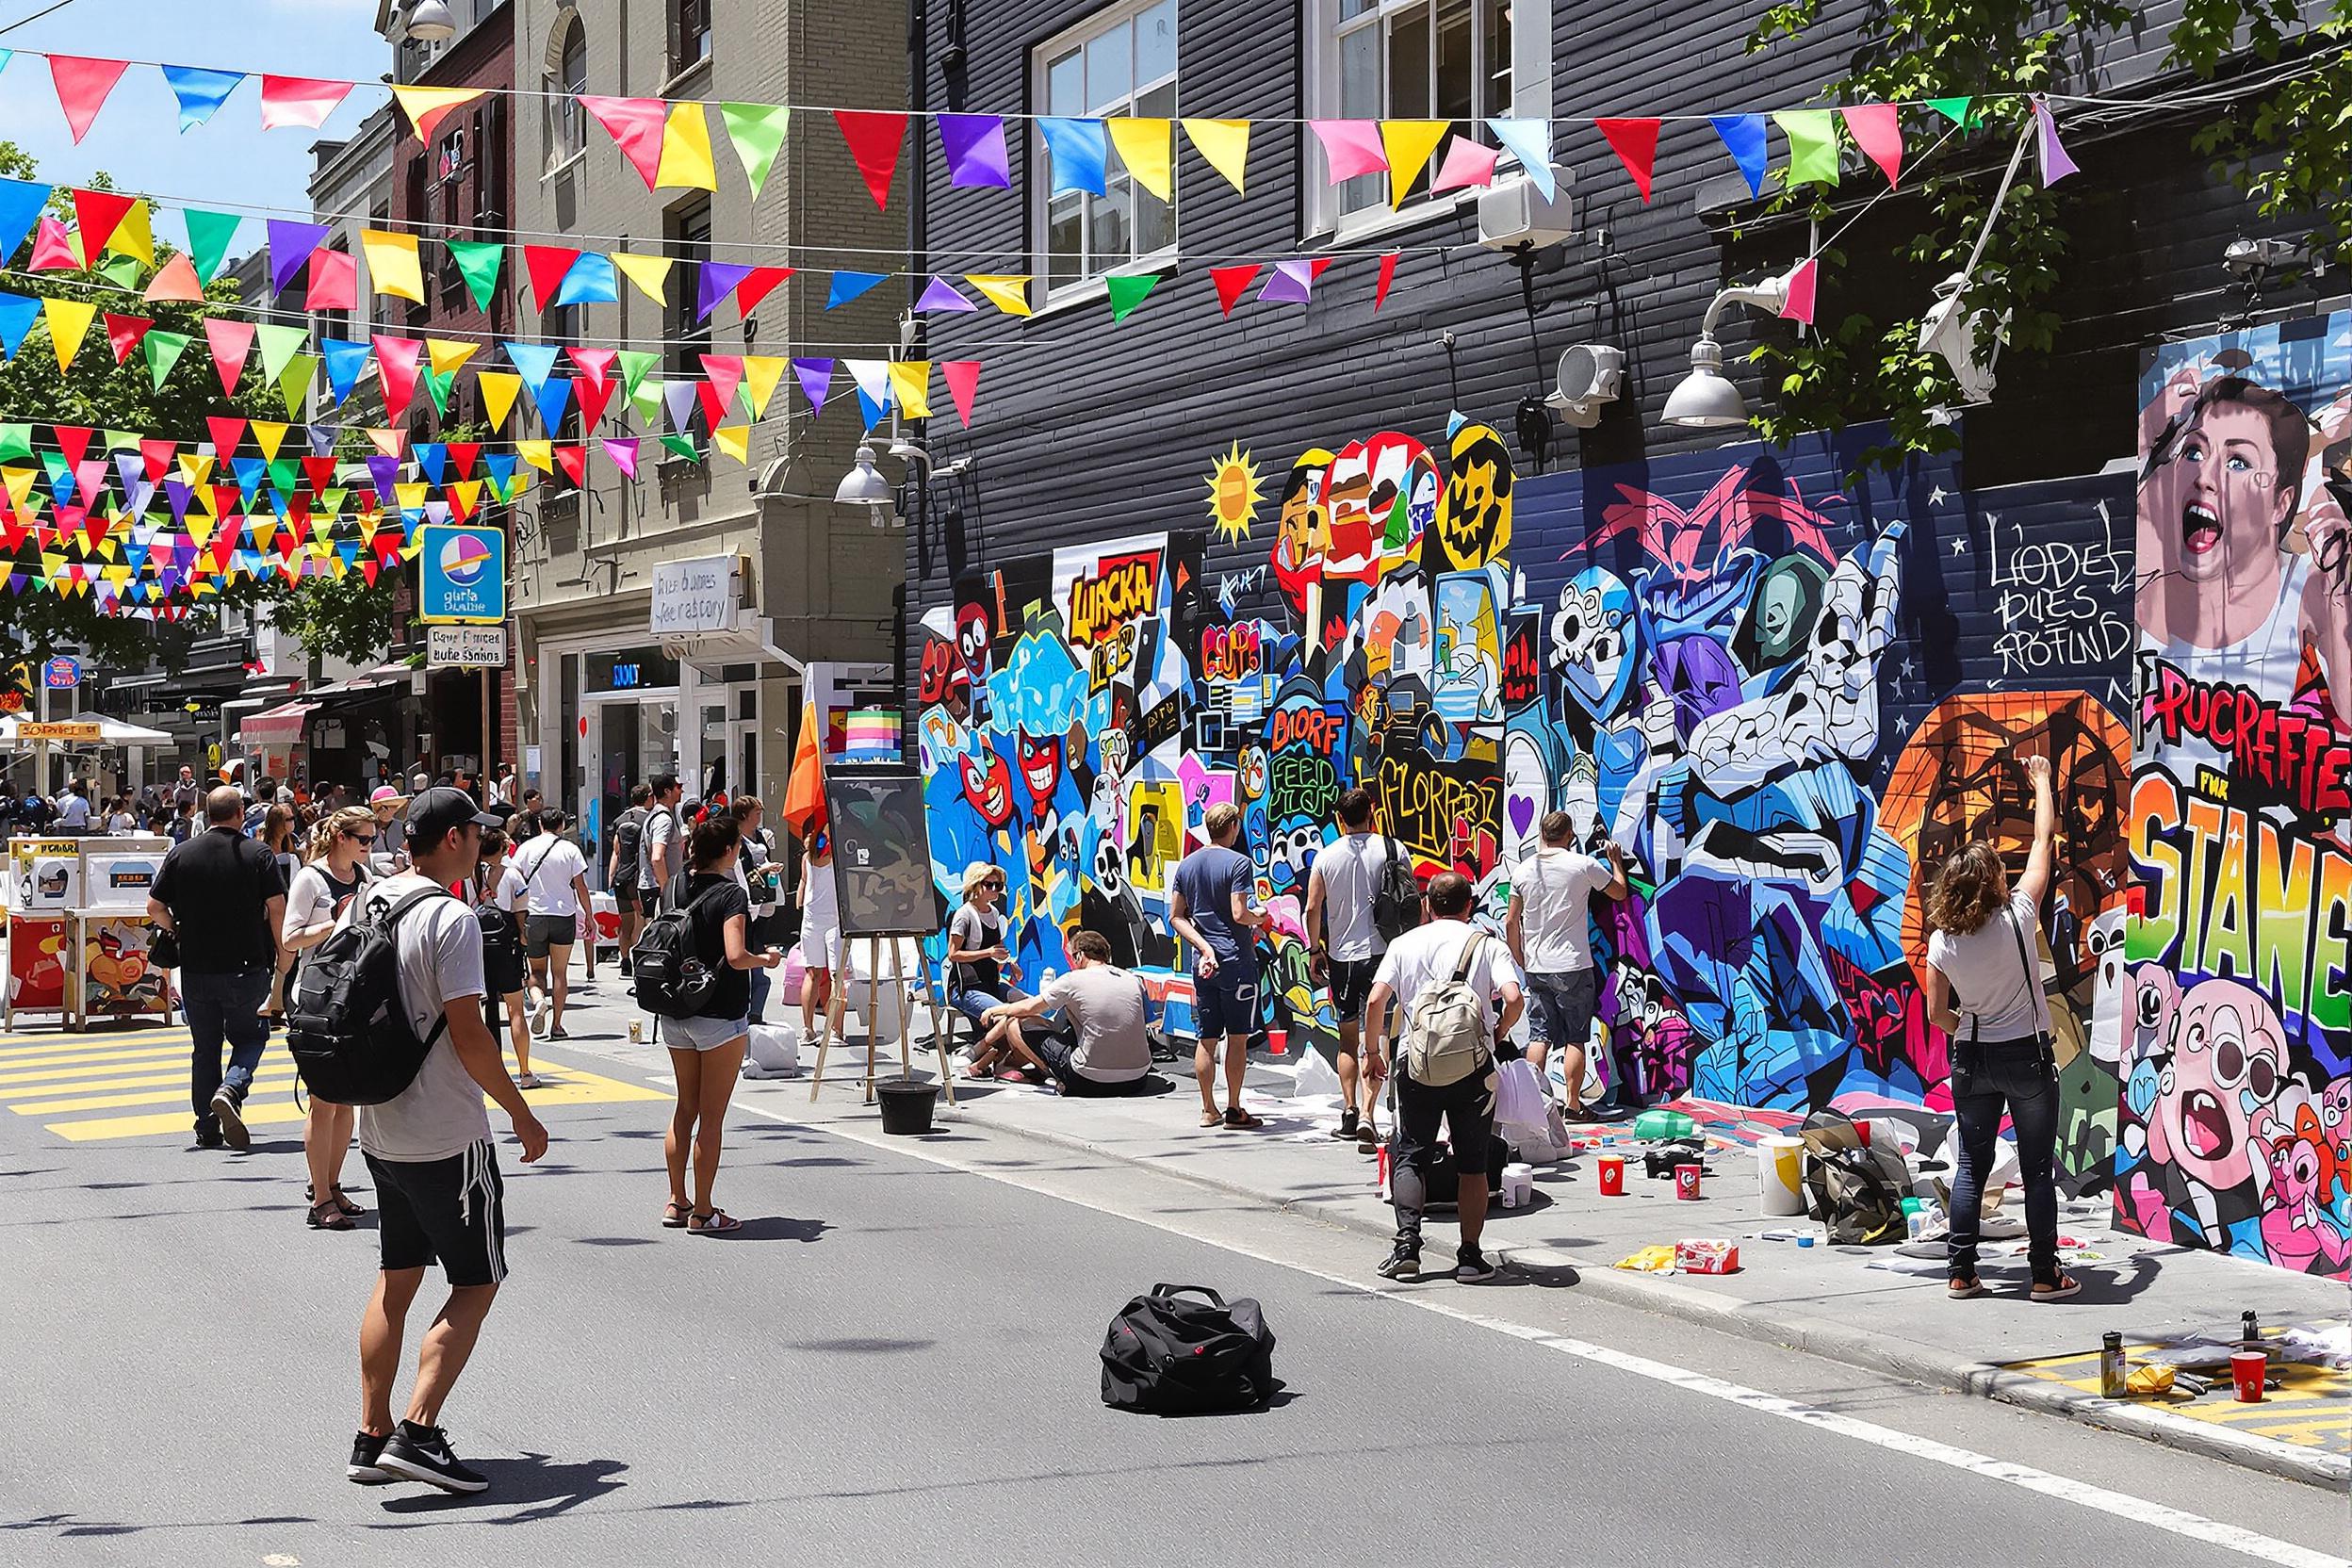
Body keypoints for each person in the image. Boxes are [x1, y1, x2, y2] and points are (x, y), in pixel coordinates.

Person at [348, 787, 547, 1494]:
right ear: (456, 838)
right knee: (477, 1279)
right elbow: (469, 1033)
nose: (483, 845)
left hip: (380, 1124)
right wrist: (521, 1113)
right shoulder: (451, 918)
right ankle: (420, 1433)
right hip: (446, 1132)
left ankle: (371, 1437)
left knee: (396, 1279)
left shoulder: (368, 900)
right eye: (477, 834)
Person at [1921, 754, 2078, 1303]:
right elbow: (2042, 846)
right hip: (2028, 1060)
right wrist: (2041, 782)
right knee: (2036, 1170)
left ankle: (1961, 1272)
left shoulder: (1942, 940)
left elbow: (1937, 1015)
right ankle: (2043, 1275)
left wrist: (1970, 1019)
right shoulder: (2017, 915)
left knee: (1972, 1165)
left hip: (1972, 1059)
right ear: (1991, 881)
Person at [1364, 871, 1525, 1283]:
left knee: (1411, 1155)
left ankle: (1407, 1247)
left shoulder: (1404, 944)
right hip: (1473, 1069)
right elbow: (1514, 998)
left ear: (1426, 906)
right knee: (1473, 1164)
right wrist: (1499, 1031)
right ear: (1470, 905)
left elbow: (1376, 1000)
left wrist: (1372, 1053)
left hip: (1416, 1067)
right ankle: (1470, 1257)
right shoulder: (1487, 945)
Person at [659, 815, 779, 1235]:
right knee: (712, 1118)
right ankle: (704, 1211)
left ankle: (677, 1200)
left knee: (684, 1109)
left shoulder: (674, 885)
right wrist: (765, 960)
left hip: (675, 1006)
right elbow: (734, 955)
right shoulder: (730, 894)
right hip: (719, 1012)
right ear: (730, 851)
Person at [148, 786, 286, 1152]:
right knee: (251, 1037)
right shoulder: (258, 854)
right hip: (247, 966)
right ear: (240, 812)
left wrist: (176, 929)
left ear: (207, 814)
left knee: (204, 1047)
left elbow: (154, 907)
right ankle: (232, 1088)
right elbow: (277, 908)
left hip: (195, 969)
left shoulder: (181, 853)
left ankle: (206, 1127)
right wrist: (284, 955)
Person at [283, 807, 379, 1230]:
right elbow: (288, 937)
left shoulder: (365, 878)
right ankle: (319, 1196)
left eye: (373, 840)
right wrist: (331, 926)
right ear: (341, 838)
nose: (370, 847)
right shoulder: (311, 878)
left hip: (351, 994)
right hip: (316, 994)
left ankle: (333, 1184)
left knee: (346, 1101)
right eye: (364, 840)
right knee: (323, 1101)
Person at [1504, 812, 1629, 1119]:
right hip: (1572, 964)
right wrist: (1615, 862)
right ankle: (1573, 1105)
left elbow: (1510, 921)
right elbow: (1619, 892)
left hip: (1537, 966)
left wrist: (1520, 957)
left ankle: (1530, 1105)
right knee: (1576, 1036)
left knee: (1539, 1035)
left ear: (1541, 834)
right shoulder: (1582, 865)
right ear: (1571, 835)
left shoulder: (1522, 871)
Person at [1303, 788, 1409, 1148]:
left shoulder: (1326, 856)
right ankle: (1369, 1110)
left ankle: (1349, 1111)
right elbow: (1408, 899)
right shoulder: (1394, 849)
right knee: (1377, 1036)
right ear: (1372, 812)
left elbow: (1313, 906)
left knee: (1347, 1037)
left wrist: (1314, 948)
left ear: (1339, 818)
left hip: (1342, 957)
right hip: (1385, 953)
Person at [1170, 802, 1270, 1130]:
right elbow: (1240, 913)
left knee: (1206, 1037)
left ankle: (1207, 1109)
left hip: (1204, 964)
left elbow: (1176, 917)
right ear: (1233, 828)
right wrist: (1262, 917)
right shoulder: (1239, 863)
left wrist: (1203, 946)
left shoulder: (1187, 865)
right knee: (1237, 1038)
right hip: (1236, 961)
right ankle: (1234, 1107)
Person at [979, 929, 1154, 1096]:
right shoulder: (1132, 979)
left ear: (1080, 956)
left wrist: (994, 1010)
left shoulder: (1073, 979)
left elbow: (1028, 1008)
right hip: (1137, 1080)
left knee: (1015, 1024)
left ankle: (1052, 1074)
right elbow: (1145, 1019)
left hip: (1088, 1080)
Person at [947, 863, 1032, 1079]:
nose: (996, 889)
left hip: (991, 983)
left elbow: (998, 949)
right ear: (976, 885)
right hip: (967, 987)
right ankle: (979, 1051)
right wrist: (987, 953)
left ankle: (1000, 1057)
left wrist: (1010, 963)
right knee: (1010, 1013)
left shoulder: (993, 913)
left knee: (1028, 1004)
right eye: (990, 885)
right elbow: (953, 954)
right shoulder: (964, 916)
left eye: (999, 885)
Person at [514, 809, 592, 1041]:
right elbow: (580, 885)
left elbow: (516, 881)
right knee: (560, 973)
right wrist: (589, 915)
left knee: (536, 972)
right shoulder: (570, 849)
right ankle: (557, 1025)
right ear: (562, 825)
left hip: (534, 915)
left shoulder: (526, 848)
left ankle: (539, 1001)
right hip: (563, 915)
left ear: (540, 824)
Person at [473, 827, 537, 1089]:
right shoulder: (512, 875)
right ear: (502, 848)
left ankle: (488, 1069)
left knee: (484, 1009)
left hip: (479, 943)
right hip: (506, 942)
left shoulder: (476, 873)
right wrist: (523, 935)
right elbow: (521, 910)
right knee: (515, 1010)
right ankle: (524, 1071)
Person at [729, 795, 780, 1022]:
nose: (760, 816)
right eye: (756, 813)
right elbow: (740, 872)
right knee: (753, 951)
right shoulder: (736, 839)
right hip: (749, 901)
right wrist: (762, 871)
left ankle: (755, 1011)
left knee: (759, 941)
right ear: (744, 815)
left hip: (765, 898)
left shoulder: (760, 835)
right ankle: (752, 1012)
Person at [798, 826, 841, 1043]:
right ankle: (836, 1030)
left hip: (811, 919)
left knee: (812, 974)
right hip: (835, 920)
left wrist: (799, 903)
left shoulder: (807, 857)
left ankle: (808, 1029)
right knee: (838, 975)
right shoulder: (839, 856)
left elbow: (805, 882)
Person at [608, 783, 652, 976]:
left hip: (622, 877)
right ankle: (636, 960)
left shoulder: (620, 820)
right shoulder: (650, 819)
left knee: (625, 923)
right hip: (638, 877)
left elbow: (616, 852)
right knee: (640, 921)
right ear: (648, 797)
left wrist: (611, 877)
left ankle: (624, 960)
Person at [636, 774, 683, 917]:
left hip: (653, 886)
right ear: (667, 791)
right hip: (657, 888)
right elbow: (657, 857)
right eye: (678, 787)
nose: (681, 791)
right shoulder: (663, 819)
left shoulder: (658, 815)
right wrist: (666, 888)